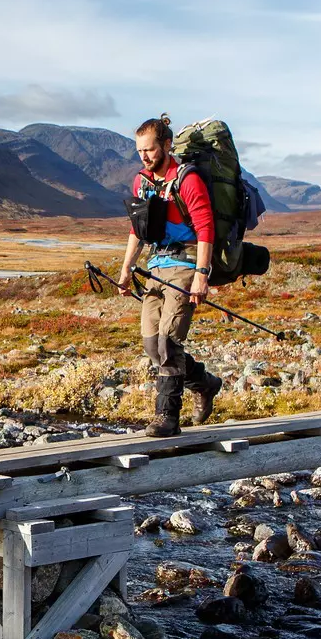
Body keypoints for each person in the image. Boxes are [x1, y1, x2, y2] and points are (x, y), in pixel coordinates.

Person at [115, 114, 223, 436]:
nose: (145, 157)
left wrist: (202, 275)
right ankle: (205, 384)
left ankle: (167, 418)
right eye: (139, 152)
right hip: (156, 266)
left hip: (187, 264)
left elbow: (205, 228)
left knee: (168, 341)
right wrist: (125, 269)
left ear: (166, 145)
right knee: (151, 344)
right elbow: (138, 229)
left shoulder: (187, 180)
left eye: (149, 150)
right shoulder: (142, 182)